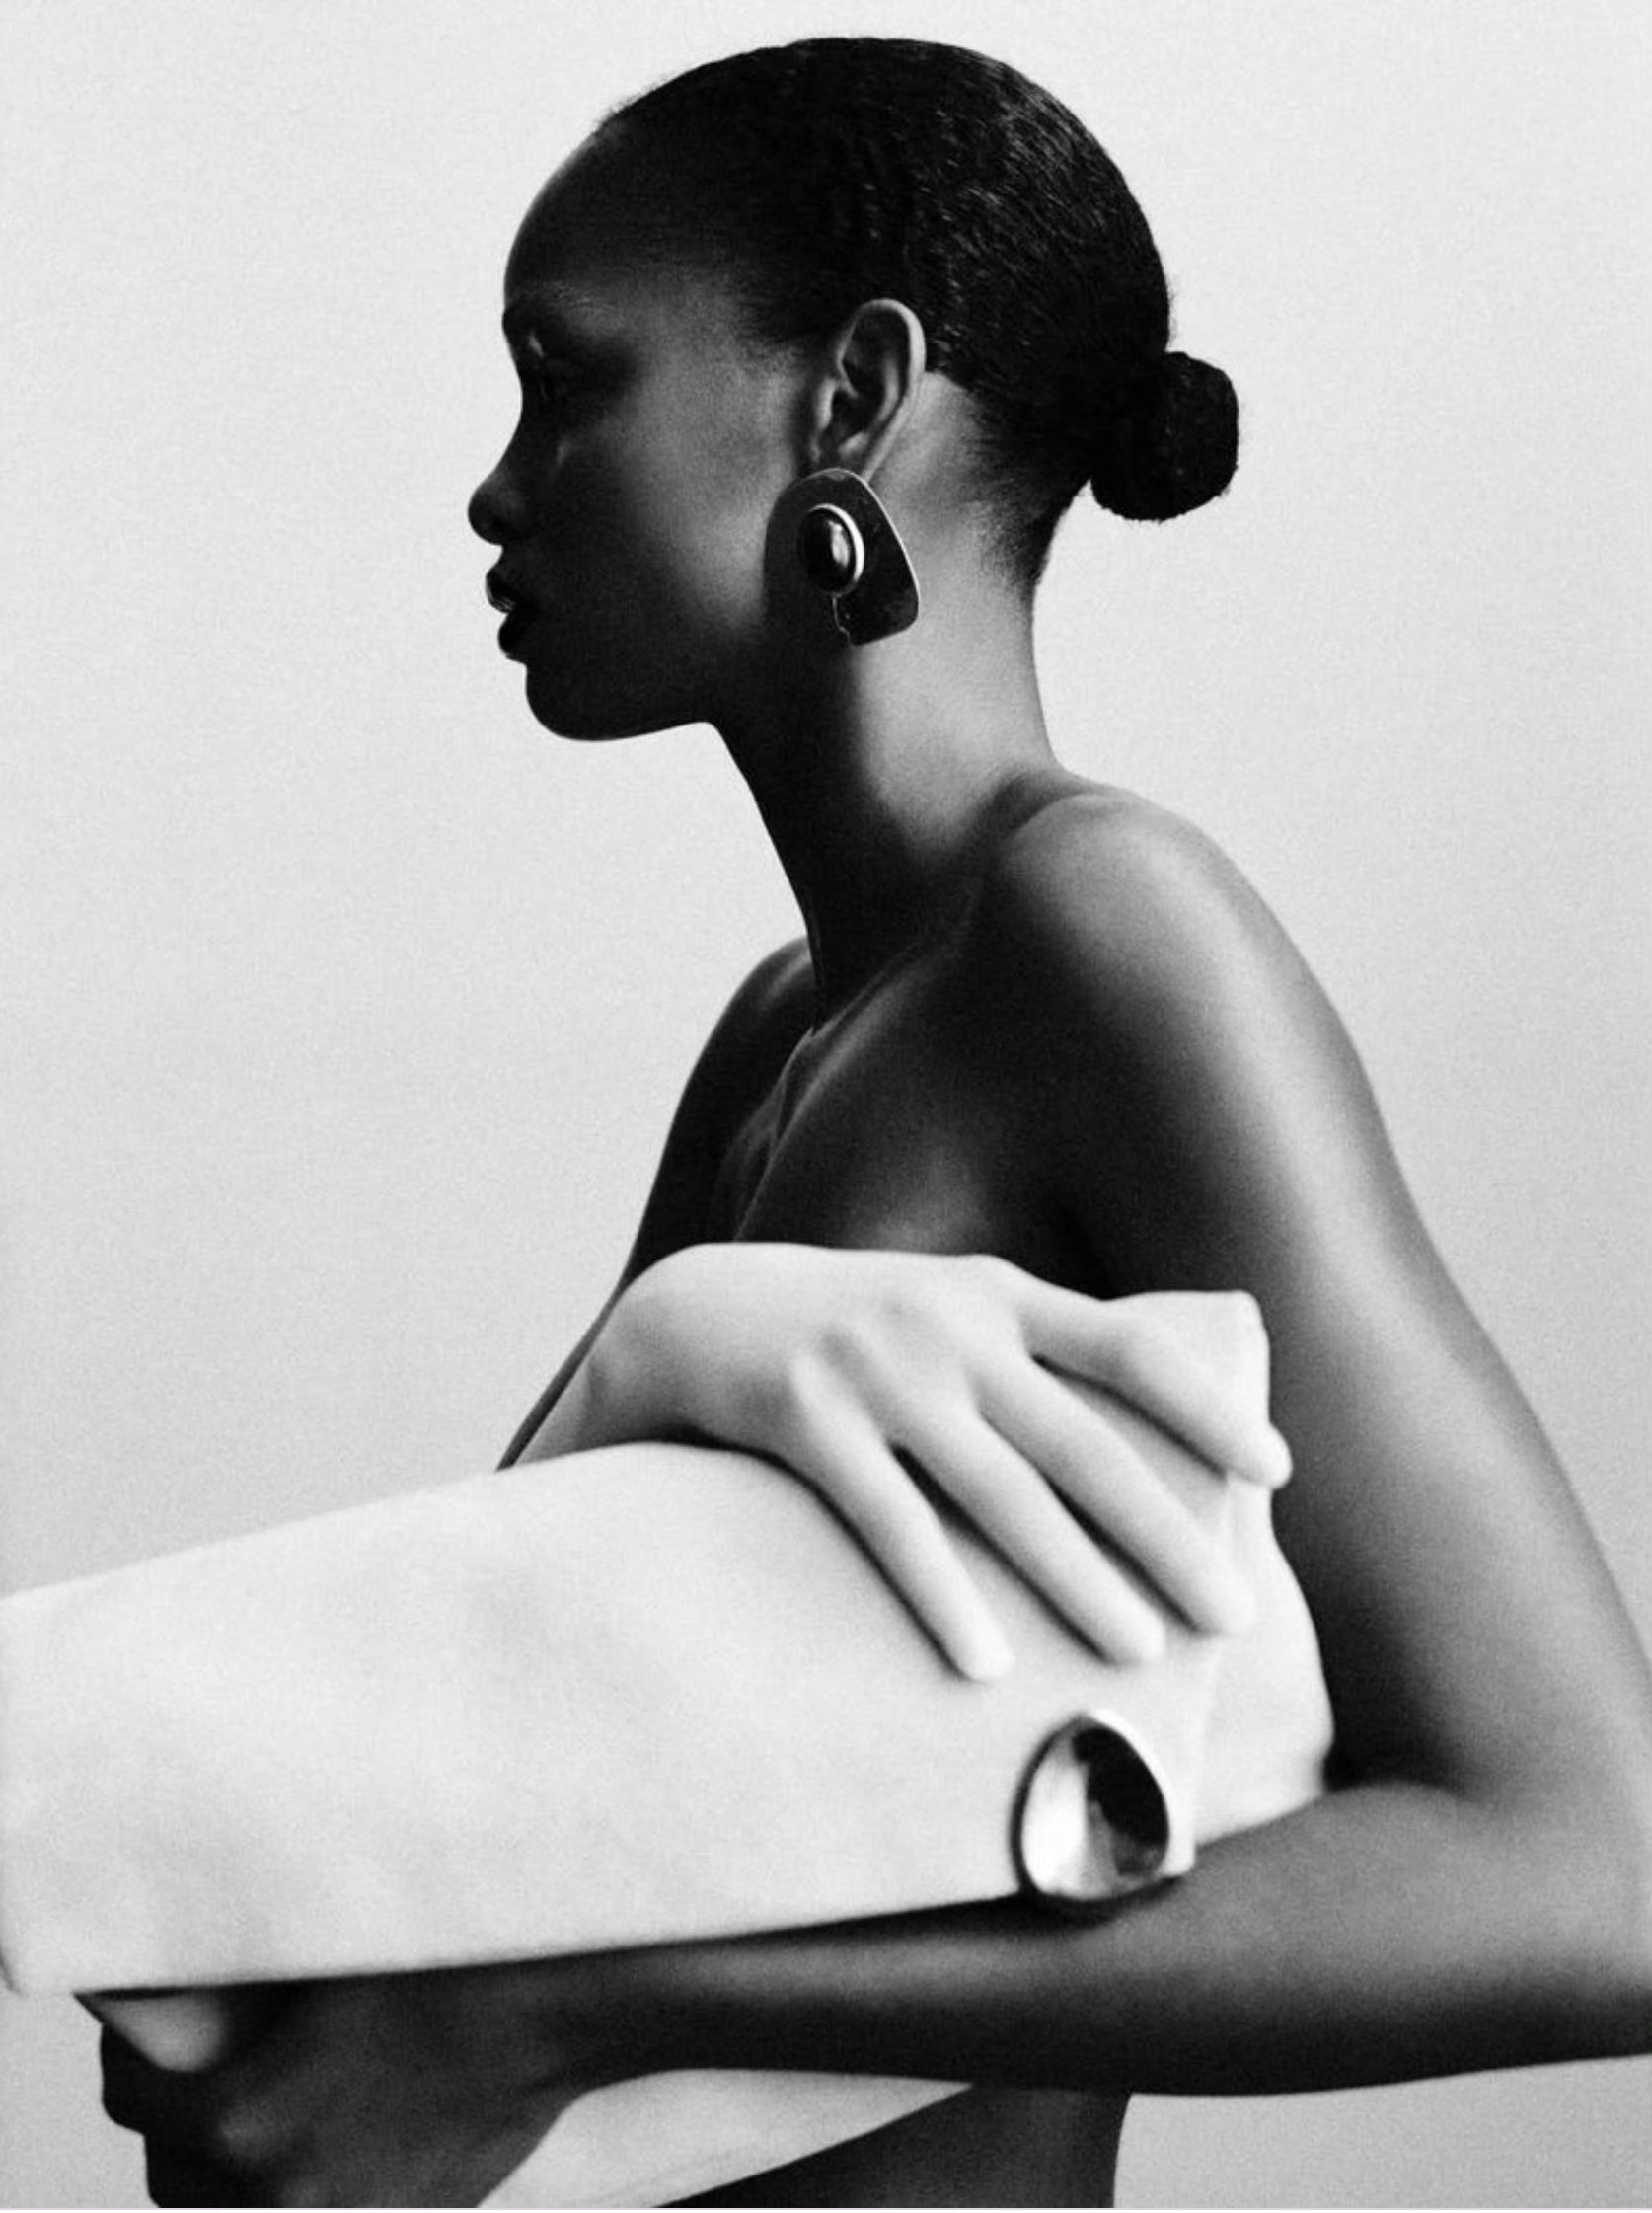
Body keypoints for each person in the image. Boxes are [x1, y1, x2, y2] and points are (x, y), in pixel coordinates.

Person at [98, 36, 1652, 2209]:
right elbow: (496, 1745)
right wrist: (665, 1347)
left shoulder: (1107, 933)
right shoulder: (781, 1031)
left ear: (851, 396)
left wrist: (585, 2016)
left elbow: (1591, 1874)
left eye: (565, 380)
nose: (497, 488)